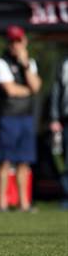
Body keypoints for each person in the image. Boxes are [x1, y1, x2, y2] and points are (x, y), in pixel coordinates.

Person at [0, 25, 41, 212]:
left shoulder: (30, 63)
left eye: (19, 41)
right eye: (12, 41)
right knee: (5, 161)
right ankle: (2, 203)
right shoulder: (0, 62)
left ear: (24, 41)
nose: (16, 45)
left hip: (26, 117)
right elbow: (10, 90)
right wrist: (28, 90)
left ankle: (24, 203)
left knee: (24, 162)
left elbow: (36, 85)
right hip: (8, 117)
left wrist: (25, 64)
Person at [49, 56, 68, 209]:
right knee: (63, 161)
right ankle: (66, 197)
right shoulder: (64, 63)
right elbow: (56, 91)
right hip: (65, 120)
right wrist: (54, 117)